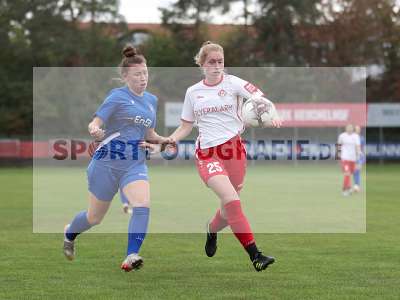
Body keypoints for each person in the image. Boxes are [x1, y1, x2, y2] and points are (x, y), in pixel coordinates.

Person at [169, 41, 282, 272]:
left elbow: (260, 100)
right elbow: (185, 126)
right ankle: (256, 256)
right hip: (208, 154)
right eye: (212, 62)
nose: (217, 66)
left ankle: (212, 230)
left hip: (235, 152)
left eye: (220, 61)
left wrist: (272, 115)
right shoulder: (193, 92)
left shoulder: (234, 83)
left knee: (228, 209)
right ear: (202, 64)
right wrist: (170, 140)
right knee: (232, 201)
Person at [63, 45, 171, 272]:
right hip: (105, 163)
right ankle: (70, 232)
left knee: (142, 205)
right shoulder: (117, 97)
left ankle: (132, 255)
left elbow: (150, 134)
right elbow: (96, 122)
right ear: (125, 77)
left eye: (145, 73)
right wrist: (94, 130)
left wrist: (165, 140)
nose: (143, 78)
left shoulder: (151, 100)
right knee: (94, 218)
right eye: (137, 75)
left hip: (134, 162)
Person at [337, 124, 361, 196]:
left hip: (353, 159)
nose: (349, 129)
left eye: (351, 128)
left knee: (349, 173)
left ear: (352, 129)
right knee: (347, 173)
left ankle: (349, 187)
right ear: (346, 128)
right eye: (348, 128)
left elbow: (357, 147)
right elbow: (338, 146)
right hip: (345, 158)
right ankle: (344, 190)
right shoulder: (342, 136)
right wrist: (338, 157)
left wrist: (358, 159)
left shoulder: (356, 136)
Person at [353, 125, 365, 192]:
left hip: (359, 157)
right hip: (352, 157)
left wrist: (363, 158)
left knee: (357, 171)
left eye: (359, 129)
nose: (358, 130)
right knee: (354, 172)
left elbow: (362, 149)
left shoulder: (362, 138)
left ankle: (357, 186)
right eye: (357, 129)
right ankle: (356, 185)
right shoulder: (351, 137)